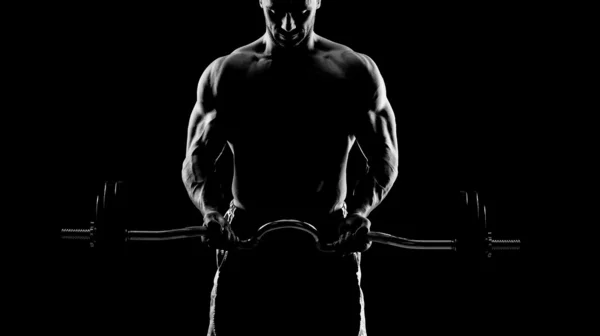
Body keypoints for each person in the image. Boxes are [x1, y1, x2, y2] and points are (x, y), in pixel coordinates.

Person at [182, 1, 398, 335]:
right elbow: (195, 157)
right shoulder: (228, 73)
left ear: (317, 2)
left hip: (329, 239)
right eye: (276, 11)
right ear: (261, 1)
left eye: (300, 11)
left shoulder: (352, 71)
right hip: (246, 238)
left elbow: (385, 155)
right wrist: (210, 210)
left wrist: (359, 212)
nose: (286, 25)